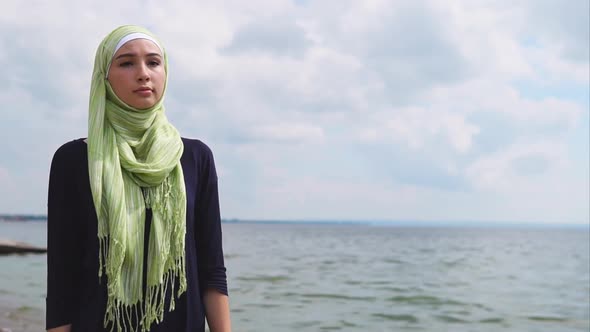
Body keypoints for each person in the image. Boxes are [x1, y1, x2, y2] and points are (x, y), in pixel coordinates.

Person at [45, 25, 231, 332]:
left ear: (165, 72)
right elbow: (62, 275)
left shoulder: (196, 157)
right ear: (104, 76)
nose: (143, 73)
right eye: (127, 63)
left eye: (154, 62)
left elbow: (211, 268)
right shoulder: (74, 160)